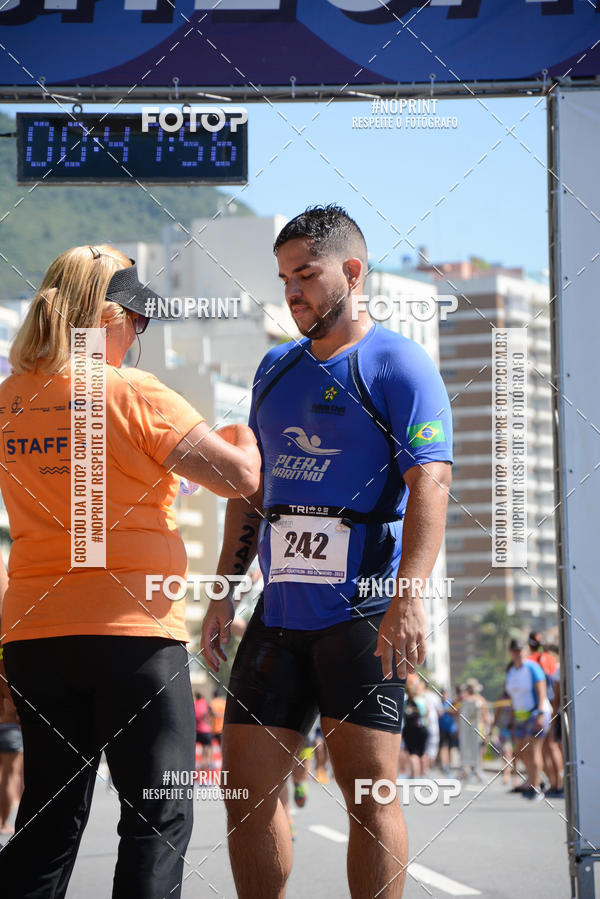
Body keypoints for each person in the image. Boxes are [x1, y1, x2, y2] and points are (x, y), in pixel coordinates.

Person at [201, 205, 453, 898]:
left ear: (350, 271)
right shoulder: (274, 369)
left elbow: (430, 482)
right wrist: (223, 591)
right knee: (244, 794)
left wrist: (409, 597)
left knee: (369, 796)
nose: (291, 292)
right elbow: (250, 490)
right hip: (278, 617)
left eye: (305, 274)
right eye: (283, 278)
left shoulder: (398, 364)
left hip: (362, 617)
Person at [0, 245, 260, 898]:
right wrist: (245, 436)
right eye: (136, 320)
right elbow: (241, 479)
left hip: (35, 637)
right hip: (134, 635)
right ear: (107, 316)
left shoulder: (8, 398)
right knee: (158, 813)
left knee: (48, 818)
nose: (138, 332)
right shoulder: (133, 393)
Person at [505, 638, 552, 800]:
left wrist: (540, 712)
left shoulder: (532, 667)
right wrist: (511, 717)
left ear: (525, 651)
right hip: (521, 716)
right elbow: (514, 697)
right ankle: (533, 779)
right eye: (515, 651)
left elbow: (541, 690)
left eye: (520, 650)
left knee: (533, 750)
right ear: (511, 653)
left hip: (536, 712)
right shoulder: (512, 671)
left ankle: (536, 785)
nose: (518, 654)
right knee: (519, 751)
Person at [457, 678, 488, 784]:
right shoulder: (476, 699)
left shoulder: (467, 699)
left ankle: (473, 771)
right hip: (475, 728)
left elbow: (485, 716)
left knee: (473, 750)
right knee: (476, 750)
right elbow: (486, 717)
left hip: (474, 728)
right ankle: (474, 770)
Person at [401, 675, 429, 778]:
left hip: (409, 729)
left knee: (413, 753)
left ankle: (414, 775)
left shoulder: (404, 702)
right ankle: (423, 774)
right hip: (422, 729)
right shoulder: (421, 700)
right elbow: (427, 713)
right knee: (422, 753)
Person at [438, 689, 458, 776]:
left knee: (449, 747)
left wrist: (447, 711)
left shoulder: (451, 702)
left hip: (450, 728)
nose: (444, 696)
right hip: (441, 728)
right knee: (443, 747)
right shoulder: (439, 703)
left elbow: (455, 712)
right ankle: (443, 765)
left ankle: (448, 765)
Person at [194, 691, 214, 769]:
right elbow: (211, 713)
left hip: (197, 731)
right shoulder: (205, 703)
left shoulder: (195, 704)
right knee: (207, 747)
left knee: (203, 747)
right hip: (206, 730)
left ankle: (203, 764)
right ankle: (207, 763)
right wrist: (209, 720)